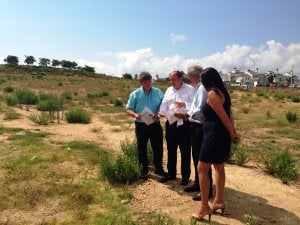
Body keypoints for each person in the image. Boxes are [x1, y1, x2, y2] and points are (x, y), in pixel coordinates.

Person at [192, 67, 239, 221]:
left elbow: (224, 117)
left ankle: (204, 207)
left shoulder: (212, 94)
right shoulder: (223, 92)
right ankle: (218, 201)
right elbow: (230, 116)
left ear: (206, 81)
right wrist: (232, 132)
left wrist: (232, 133)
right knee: (218, 166)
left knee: (202, 168)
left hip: (214, 136)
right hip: (220, 135)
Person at [126, 72, 166, 180]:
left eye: (149, 82)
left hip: (155, 124)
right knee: (141, 148)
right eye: (145, 82)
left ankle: (159, 168)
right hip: (141, 125)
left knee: (158, 147)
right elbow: (128, 109)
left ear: (152, 81)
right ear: (141, 83)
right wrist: (135, 115)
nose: (148, 84)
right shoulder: (134, 94)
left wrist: (159, 114)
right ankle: (144, 170)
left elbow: (164, 106)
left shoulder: (158, 92)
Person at [183, 65, 213, 202]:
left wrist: (186, 114)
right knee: (197, 157)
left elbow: (199, 109)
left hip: (199, 127)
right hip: (196, 125)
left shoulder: (201, 88)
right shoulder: (199, 87)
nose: (189, 79)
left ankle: (206, 190)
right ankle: (198, 183)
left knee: (202, 159)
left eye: (189, 76)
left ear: (194, 76)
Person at [159, 70, 194, 185]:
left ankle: (185, 176)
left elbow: (195, 106)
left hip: (185, 124)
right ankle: (171, 174)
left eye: (173, 79)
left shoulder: (190, 89)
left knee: (185, 151)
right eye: (170, 79)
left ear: (180, 78)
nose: (171, 81)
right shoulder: (169, 90)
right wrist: (163, 111)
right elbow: (164, 103)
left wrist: (184, 110)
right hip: (171, 123)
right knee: (171, 149)